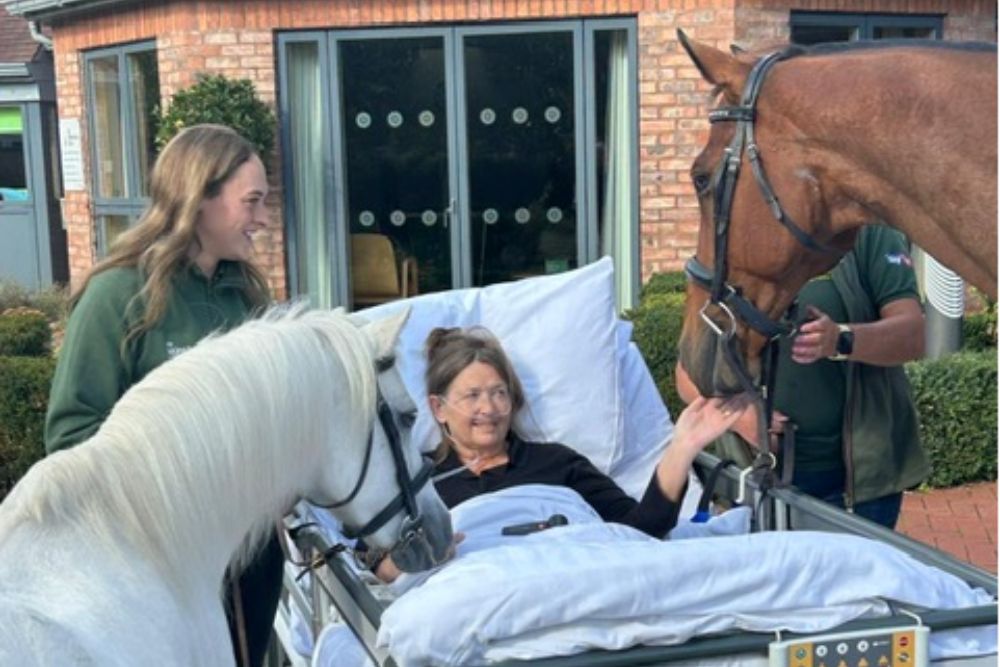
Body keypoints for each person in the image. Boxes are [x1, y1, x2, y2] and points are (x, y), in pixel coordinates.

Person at [44, 124, 281, 667]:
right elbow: (70, 437)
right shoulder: (116, 295)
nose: (264, 220)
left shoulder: (246, 296)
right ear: (200, 198)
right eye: (252, 202)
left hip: (248, 559)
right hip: (154, 565)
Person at [374, 325, 749, 582]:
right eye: (472, 396)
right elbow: (374, 566)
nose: (488, 408)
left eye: (499, 392)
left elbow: (641, 531)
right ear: (438, 409)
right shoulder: (417, 481)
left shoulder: (556, 463)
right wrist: (415, 559)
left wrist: (682, 447)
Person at [676, 224, 929, 529]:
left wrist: (840, 340)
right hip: (757, 481)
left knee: (853, 578)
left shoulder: (865, 232)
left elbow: (912, 335)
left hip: (859, 489)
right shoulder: (735, 235)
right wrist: (741, 417)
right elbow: (688, 373)